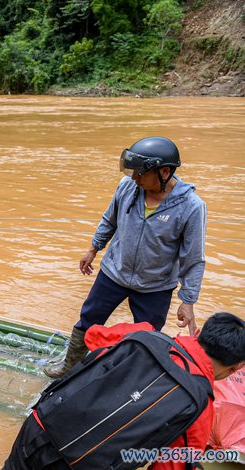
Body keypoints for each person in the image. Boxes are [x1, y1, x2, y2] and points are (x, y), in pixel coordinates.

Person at [45, 136, 207, 379]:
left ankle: (128, 380)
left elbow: (193, 257)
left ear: (164, 172)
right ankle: (71, 365)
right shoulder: (128, 187)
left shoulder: (191, 207)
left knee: (147, 336)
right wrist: (93, 248)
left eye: (140, 173)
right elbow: (109, 219)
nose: (134, 177)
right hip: (114, 272)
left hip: (155, 285)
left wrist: (188, 300)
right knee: (88, 318)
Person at [4, 313, 245, 470]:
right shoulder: (201, 405)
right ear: (235, 368)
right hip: (80, 463)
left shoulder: (143, 333)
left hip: (41, 422)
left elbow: (93, 336)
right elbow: (170, 466)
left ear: (198, 333)